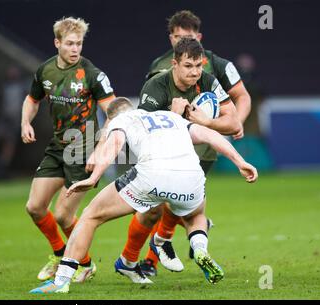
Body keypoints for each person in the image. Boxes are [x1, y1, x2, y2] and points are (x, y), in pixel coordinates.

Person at [29, 97, 258, 294]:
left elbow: (115, 143)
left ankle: (62, 280)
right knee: (196, 216)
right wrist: (241, 162)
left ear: (112, 116)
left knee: (91, 216)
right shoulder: (168, 117)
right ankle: (199, 249)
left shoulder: (120, 120)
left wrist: (93, 177)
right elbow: (208, 134)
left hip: (153, 175)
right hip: (192, 177)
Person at [137, 10, 252, 276]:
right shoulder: (159, 67)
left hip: (203, 146)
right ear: (171, 39)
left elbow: (241, 97)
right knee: (171, 204)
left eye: (187, 37)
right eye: (177, 37)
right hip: (167, 146)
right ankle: (195, 233)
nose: (181, 42)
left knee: (170, 201)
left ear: (198, 37)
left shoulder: (215, 65)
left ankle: (148, 262)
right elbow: (148, 112)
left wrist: (234, 124)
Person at [21, 17, 115, 283]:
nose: (76, 49)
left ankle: (82, 264)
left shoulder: (93, 74)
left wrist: (101, 147)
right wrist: (25, 121)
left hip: (82, 149)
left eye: (79, 43)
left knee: (63, 214)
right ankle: (62, 254)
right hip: (57, 146)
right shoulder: (45, 71)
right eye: (70, 43)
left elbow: (113, 112)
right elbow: (32, 99)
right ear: (57, 43)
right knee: (35, 207)